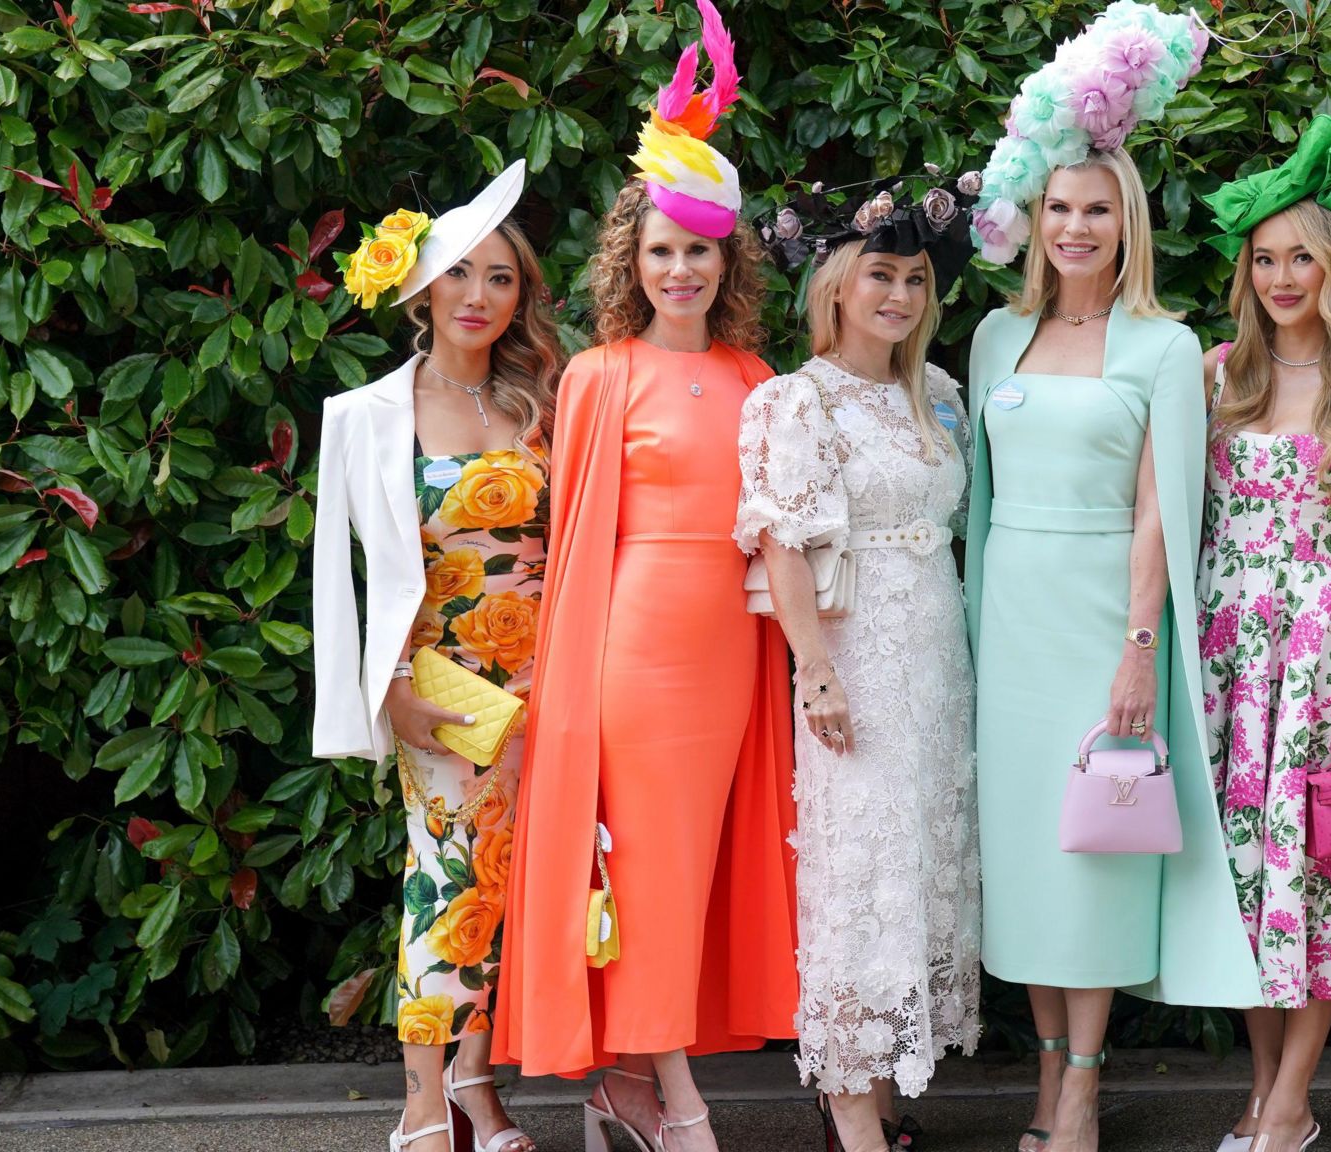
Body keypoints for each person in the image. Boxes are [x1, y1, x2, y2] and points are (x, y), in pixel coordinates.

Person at [490, 6, 799, 1151]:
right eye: (660, 250)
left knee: (692, 872)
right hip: (633, 651)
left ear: (728, 261)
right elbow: (570, 549)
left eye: (699, 249)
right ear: (634, 261)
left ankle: (623, 1081)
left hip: (730, 652)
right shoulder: (599, 375)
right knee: (647, 865)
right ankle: (674, 1094)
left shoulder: (758, 373)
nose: (680, 268)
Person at [962, 8, 1258, 1152]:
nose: (1075, 226)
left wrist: (1141, 647)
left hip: (1102, 627)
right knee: (1029, 866)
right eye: (1058, 209)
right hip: (1010, 624)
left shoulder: (1164, 348)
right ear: (1033, 221)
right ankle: (1042, 1078)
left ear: (1125, 224)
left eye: (1096, 210)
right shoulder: (993, 339)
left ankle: (1080, 1091)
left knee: (1092, 857)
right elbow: (978, 505)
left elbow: (1159, 511)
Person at [312, 161, 559, 1152]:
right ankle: (424, 1108)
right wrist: (390, 693)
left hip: (556, 683)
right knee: (451, 885)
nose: (478, 295)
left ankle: (479, 1091)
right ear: (422, 287)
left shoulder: (545, 399)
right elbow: (344, 579)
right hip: (446, 692)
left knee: (521, 892)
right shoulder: (365, 417)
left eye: (500, 278)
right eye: (460, 274)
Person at [739, 173, 985, 1152]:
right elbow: (781, 545)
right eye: (880, 276)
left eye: (916, 280)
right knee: (856, 874)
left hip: (936, 659)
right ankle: (848, 1111)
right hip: (855, 654)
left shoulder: (938, 394)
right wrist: (816, 671)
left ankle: (882, 1095)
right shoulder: (797, 401)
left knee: (919, 864)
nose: (898, 297)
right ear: (837, 282)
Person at [1194, 118, 1331, 1152]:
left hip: (1319, 662)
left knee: (1313, 875)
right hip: (1228, 660)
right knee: (1242, 878)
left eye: (1302, 258)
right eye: (1265, 257)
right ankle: (1258, 1087)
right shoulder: (1213, 378)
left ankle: (1289, 1104)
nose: (1282, 276)